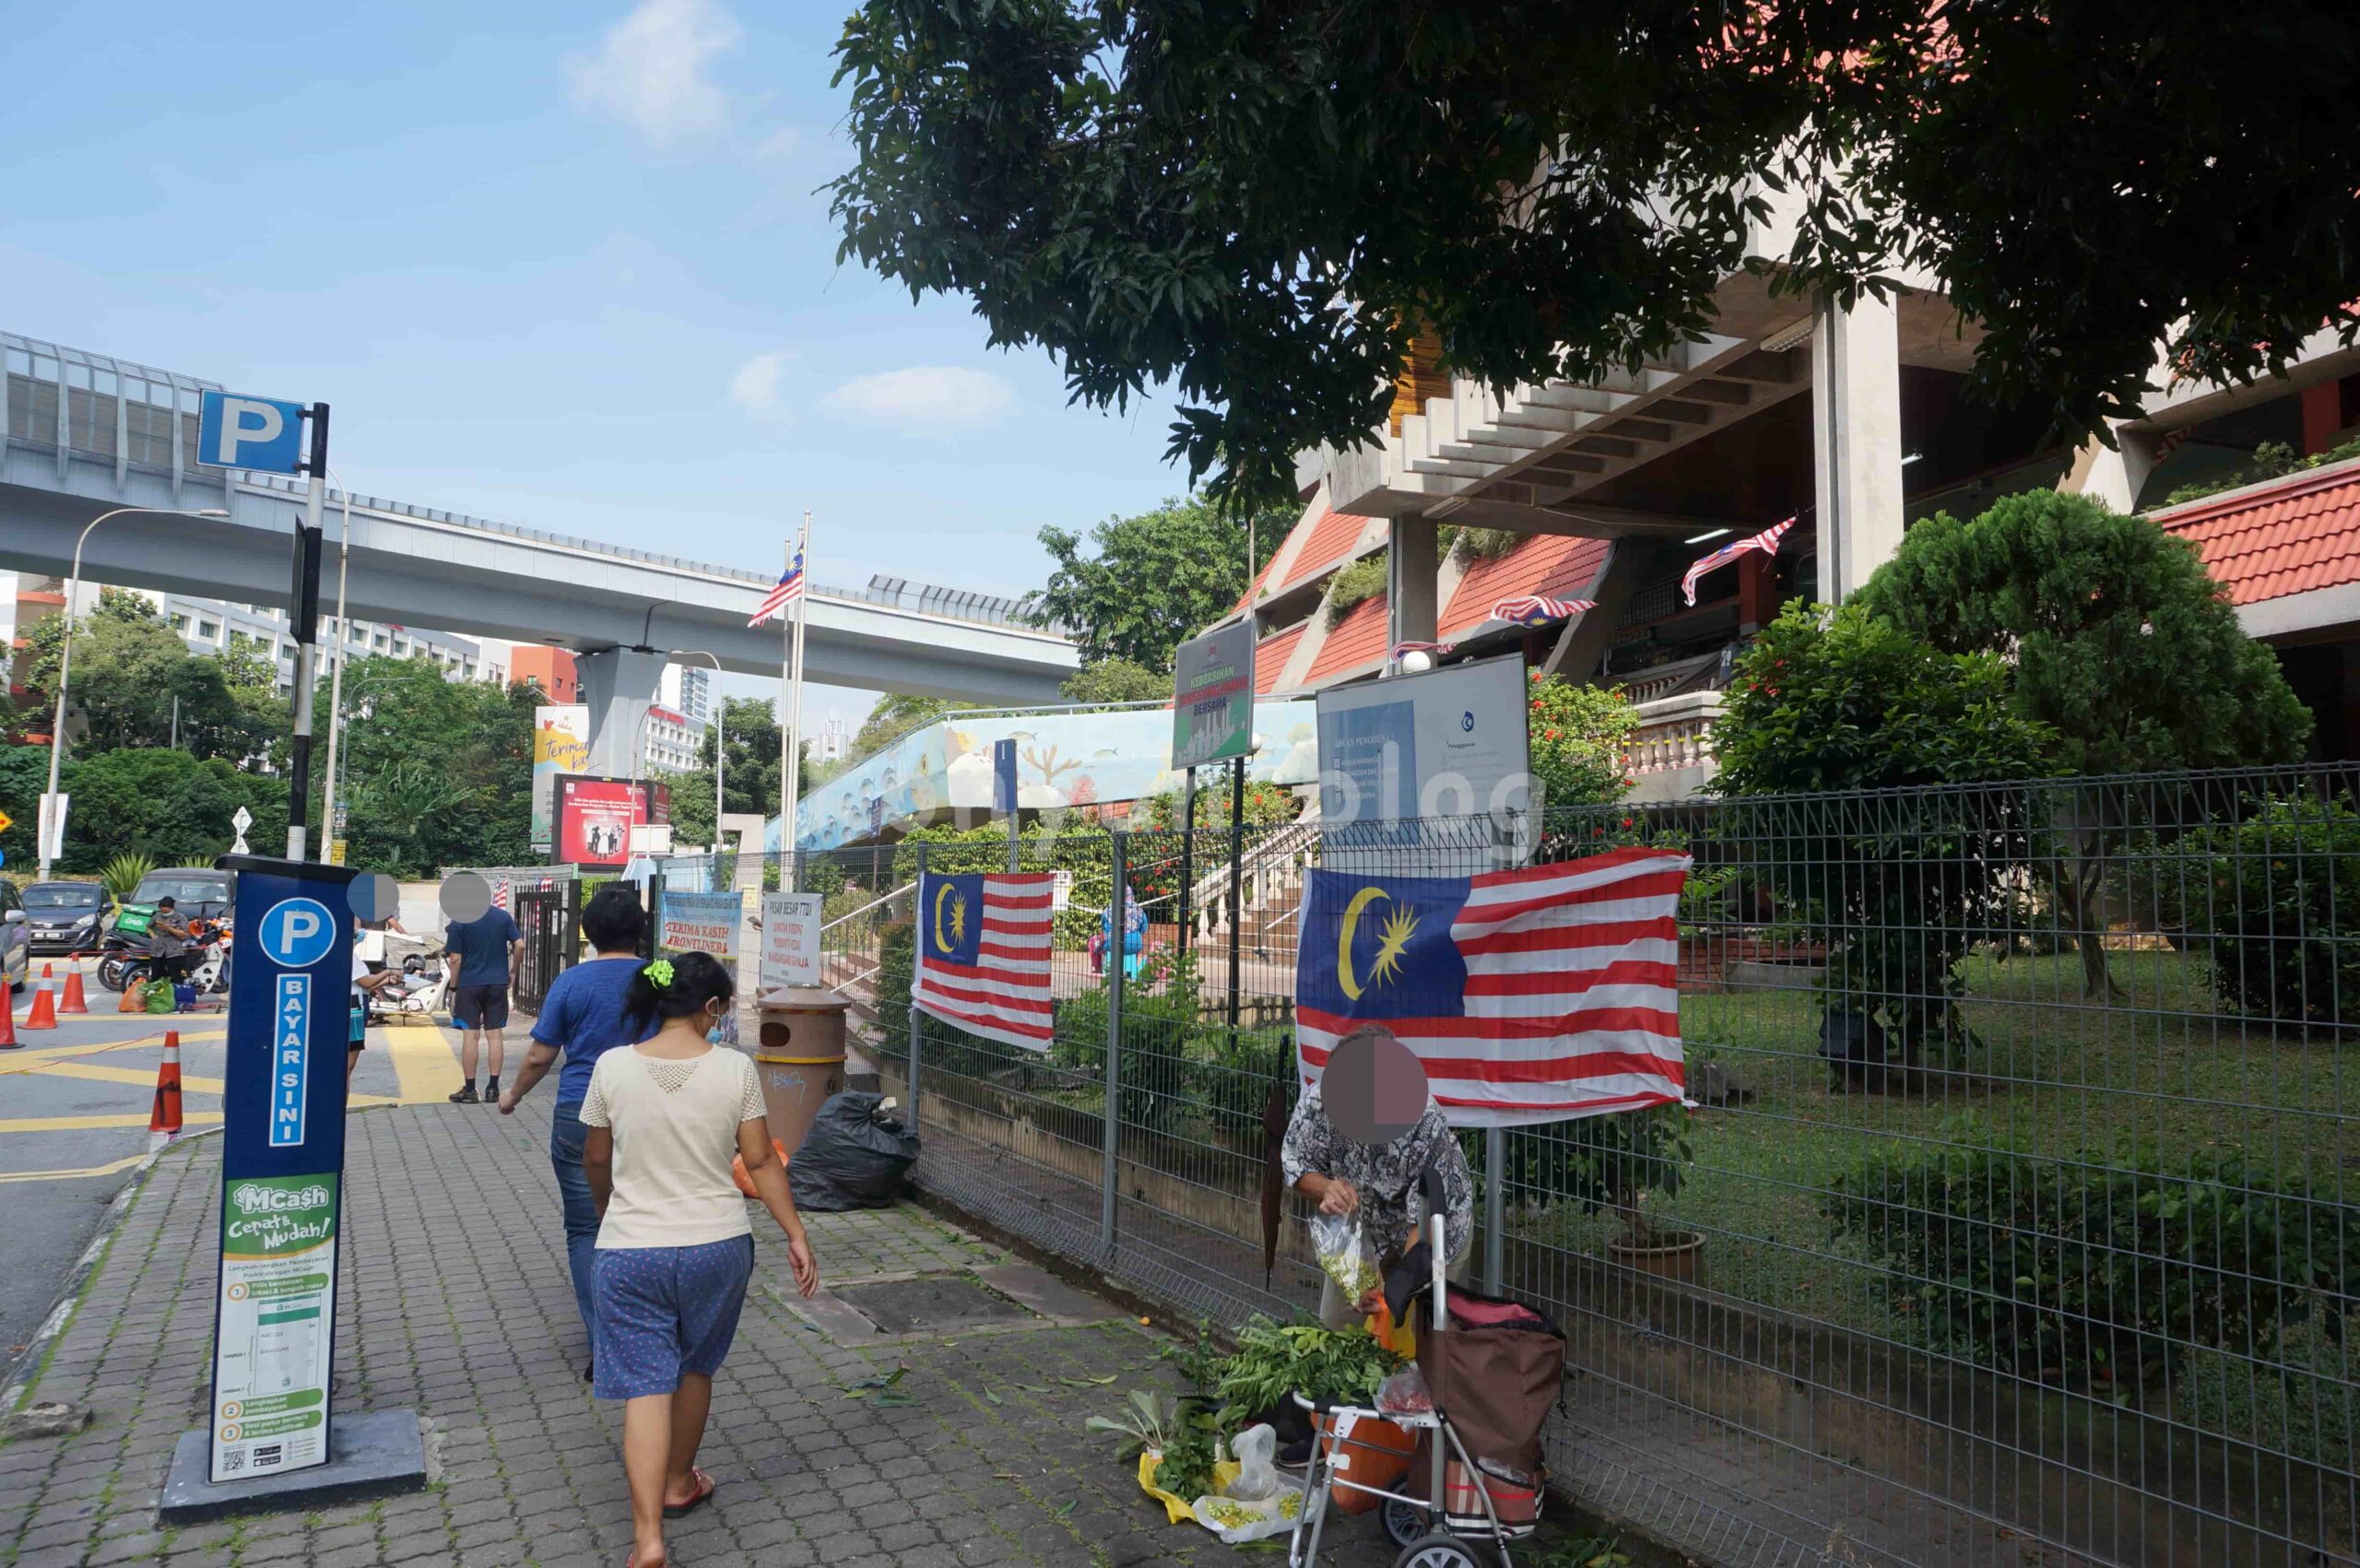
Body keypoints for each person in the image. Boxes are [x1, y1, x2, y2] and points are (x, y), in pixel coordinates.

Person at [580, 951, 819, 1568]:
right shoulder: (735, 1069)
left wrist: (610, 1210)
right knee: (693, 1368)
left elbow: (595, 1159)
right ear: (710, 1007)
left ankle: (648, 1538)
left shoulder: (611, 1067)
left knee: (643, 1383)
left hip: (630, 1251)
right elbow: (762, 1161)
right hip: (717, 1245)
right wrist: (794, 1232)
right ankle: (681, 1482)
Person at [499, 885, 655, 1373]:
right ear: (641, 930)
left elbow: (541, 1054)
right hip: (653, 1110)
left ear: (587, 932)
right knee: (650, 1218)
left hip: (581, 1115)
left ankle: (604, 1344)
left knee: (587, 1227)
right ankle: (653, 1328)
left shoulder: (572, 982)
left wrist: (513, 1095)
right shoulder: (659, 978)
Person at [1280, 1024, 1476, 1329]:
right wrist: (1327, 1187)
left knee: (1424, 1338)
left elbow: (1423, 1229)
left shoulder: (1425, 1123)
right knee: (1336, 1329)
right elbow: (1295, 1163)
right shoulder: (1318, 1101)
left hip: (1434, 1231)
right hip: (1368, 1229)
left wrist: (1393, 1292)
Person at [442, 900, 524, 1104]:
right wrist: (513, 971)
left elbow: (455, 958)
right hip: (497, 983)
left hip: (469, 984)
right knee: (495, 1035)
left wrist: (453, 987)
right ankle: (493, 1089)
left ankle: (470, 1090)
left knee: (470, 1036)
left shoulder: (460, 920)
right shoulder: (502, 917)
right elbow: (520, 944)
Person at [149, 897, 195, 987]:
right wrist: (153, 936)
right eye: (162, 911)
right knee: (156, 973)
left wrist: (168, 928)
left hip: (174, 950)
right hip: (158, 949)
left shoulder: (180, 917)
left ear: (172, 908)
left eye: (166, 912)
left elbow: (184, 934)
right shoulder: (157, 916)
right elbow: (149, 926)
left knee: (175, 974)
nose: (164, 914)